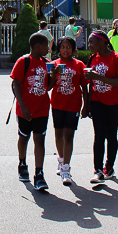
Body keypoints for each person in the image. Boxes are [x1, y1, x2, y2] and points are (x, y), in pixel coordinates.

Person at [85, 30, 118, 183]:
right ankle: (97, 170)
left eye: (92, 42)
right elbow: (91, 83)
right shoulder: (92, 58)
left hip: (114, 103)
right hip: (97, 101)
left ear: (102, 42)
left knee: (111, 135)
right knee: (99, 136)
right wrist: (88, 104)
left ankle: (109, 166)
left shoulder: (117, 58)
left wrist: (98, 77)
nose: (89, 45)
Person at [10, 32, 52, 190]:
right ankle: (22, 162)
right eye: (46, 45)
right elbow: (16, 84)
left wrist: (53, 75)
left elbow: (48, 86)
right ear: (37, 46)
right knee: (24, 137)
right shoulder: (23, 61)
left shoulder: (47, 63)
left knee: (39, 139)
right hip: (25, 109)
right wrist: (23, 105)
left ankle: (39, 174)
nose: (48, 48)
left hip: (42, 108)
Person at [49, 36, 89, 185]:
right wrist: (54, 73)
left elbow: (84, 86)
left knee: (69, 136)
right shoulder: (54, 64)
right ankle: (61, 158)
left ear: (73, 49)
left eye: (68, 47)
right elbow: (49, 86)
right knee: (58, 134)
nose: (65, 50)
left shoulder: (79, 65)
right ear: (59, 49)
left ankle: (66, 168)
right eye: (62, 47)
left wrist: (86, 105)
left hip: (73, 105)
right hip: (57, 104)